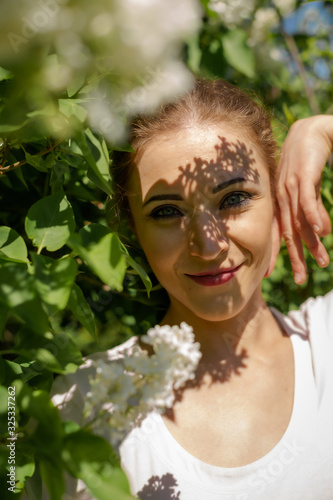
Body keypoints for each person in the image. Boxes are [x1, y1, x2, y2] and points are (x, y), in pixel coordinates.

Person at [51, 80, 333, 499]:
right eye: (166, 211)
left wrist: (320, 129)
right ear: (133, 229)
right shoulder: (80, 404)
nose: (208, 244)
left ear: (277, 198)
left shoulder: (324, 343)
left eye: (234, 198)